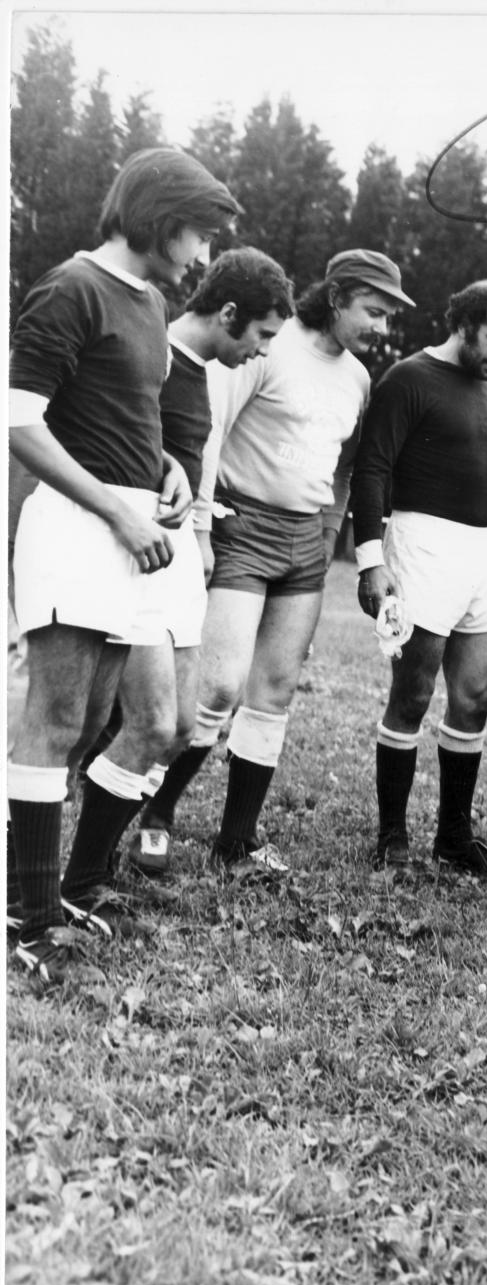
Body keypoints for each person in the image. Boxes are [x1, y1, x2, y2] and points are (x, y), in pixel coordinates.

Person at [7, 147, 241, 972]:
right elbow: (20, 421)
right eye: (199, 234)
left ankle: (56, 895)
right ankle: (23, 921)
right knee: (55, 722)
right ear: (158, 217)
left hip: (130, 527)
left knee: (97, 722)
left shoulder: (146, 302)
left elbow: (126, 419)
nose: (204, 256)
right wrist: (113, 505)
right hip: (77, 525)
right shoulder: (71, 287)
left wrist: (167, 471)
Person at [141, 248, 413, 874]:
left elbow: (345, 470)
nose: (380, 327)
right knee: (218, 685)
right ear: (338, 296)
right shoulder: (271, 342)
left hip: (305, 541)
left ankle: (238, 839)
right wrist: (206, 525)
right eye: (372, 311)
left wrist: (329, 535)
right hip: (240, 525)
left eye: (387, 317)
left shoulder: (359, 379)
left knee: (274, 692)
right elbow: (211, 431)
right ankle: (156, 813)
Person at [116, 249, 295, 880]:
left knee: (183, 719)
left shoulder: (200, 370)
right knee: (128, 719)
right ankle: (90, 857)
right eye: (265, 335)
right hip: (131, 557)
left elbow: (187, 461)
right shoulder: (154, 357)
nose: (265, 350)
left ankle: (124, 833)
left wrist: (196, 529)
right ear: (228, 313)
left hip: (180, 558)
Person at [351, 279, 487, 876]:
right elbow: (372, 468)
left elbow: (469, 472)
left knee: (476, 696)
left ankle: (454, 838)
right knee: (415, 693)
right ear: (463, 324)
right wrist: (372, 560)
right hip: (421, 545)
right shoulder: (408, 378)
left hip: (482, 550)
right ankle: (392, 837)